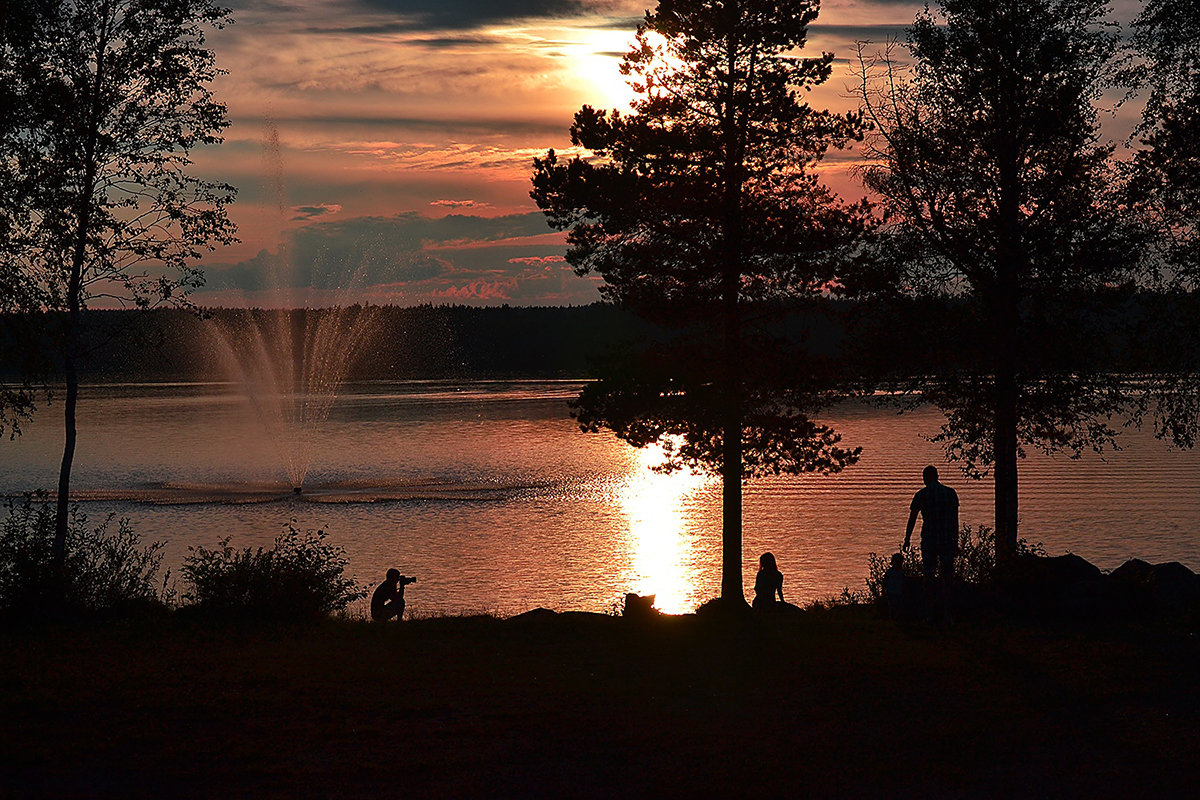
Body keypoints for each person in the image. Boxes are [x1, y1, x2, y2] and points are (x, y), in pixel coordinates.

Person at [904, 465, 959, 621]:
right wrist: (956, 541)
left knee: (928, 574)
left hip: (929, 539)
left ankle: (929, 612)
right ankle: (947, 612)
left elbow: (912, 518)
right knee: (947, 575)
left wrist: (907, 539)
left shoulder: (921, 495)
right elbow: (955, 520)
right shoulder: (950, 493)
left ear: (926, 478)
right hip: (947, 539)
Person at [883, 552, 906, 620]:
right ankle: (892, 619)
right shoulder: (889, 572)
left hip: (899, 592)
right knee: (893, 606)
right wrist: (884, 590)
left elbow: (904, 582)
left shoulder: (901, 572)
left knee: (898, 607)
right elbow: (885, 581)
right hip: (891, 592)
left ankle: (897, 619)